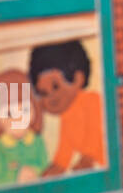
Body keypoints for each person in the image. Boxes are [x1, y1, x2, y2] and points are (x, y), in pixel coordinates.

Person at [29, 39, 106, 176]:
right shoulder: (67, 116)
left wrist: (86, 161)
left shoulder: (92, 101)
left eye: (56, 87)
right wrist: (50, 172)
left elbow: (94, 136)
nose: (50, 98)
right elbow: (64, 153)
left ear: (78, 79)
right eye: (43, 93)